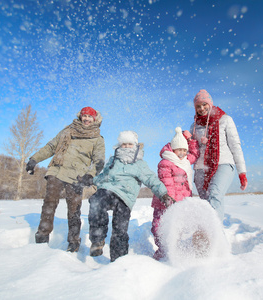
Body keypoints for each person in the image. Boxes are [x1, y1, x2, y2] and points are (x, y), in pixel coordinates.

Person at [26, 107, 105, 252]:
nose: (86, 119)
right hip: (57, 169)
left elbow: (99, 160)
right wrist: (34, 159)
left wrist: (90, 174)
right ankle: (42, 239)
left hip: (77, 176)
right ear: (80, 116)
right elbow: (51, 147)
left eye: (90, 117)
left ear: (95, 119)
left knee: (74, 210)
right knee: (49, 203)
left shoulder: (97, 139)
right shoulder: (67, 130)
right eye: (84, 116)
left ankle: (73, 242)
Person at [88, 130, 175, 262]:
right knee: (96, 202)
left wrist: (163, 194)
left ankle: (118, 260)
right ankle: (97, 240)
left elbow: (151, 179)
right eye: (124, 144)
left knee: (120, 228)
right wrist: (90, 180)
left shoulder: (139, 164)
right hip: (108, 190)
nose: (127, 146)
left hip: (125, 197)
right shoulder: (113, 160)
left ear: (135, 145)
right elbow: (103, 177)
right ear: (119, 145)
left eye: (130, 144)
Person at [190, 89, 248, 221]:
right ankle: (207, 233)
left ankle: (214, 235)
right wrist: (184, 139)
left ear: (210, 104)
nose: (202, 108)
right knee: (205, 202)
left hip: (223, 163)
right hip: (201, 167)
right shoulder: (194, 125)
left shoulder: (225, 120)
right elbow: (191, 150)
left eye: (204, 104)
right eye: (198, 106)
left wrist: (242, 172)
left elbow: (235, 146)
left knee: (215, 194)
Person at [150, 127, 200, 260]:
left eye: (184, 150)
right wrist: (170, 199)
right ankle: (162, 249)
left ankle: (173, 249)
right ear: (173, 149)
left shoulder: (185, 161)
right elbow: (166, 182)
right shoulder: (166, 162)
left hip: (180, 202)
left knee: (176, 227)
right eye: (179, 150)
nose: (182, 153)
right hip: (165, 201)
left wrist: (190, 140)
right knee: (159, 226)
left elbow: (195, 154)